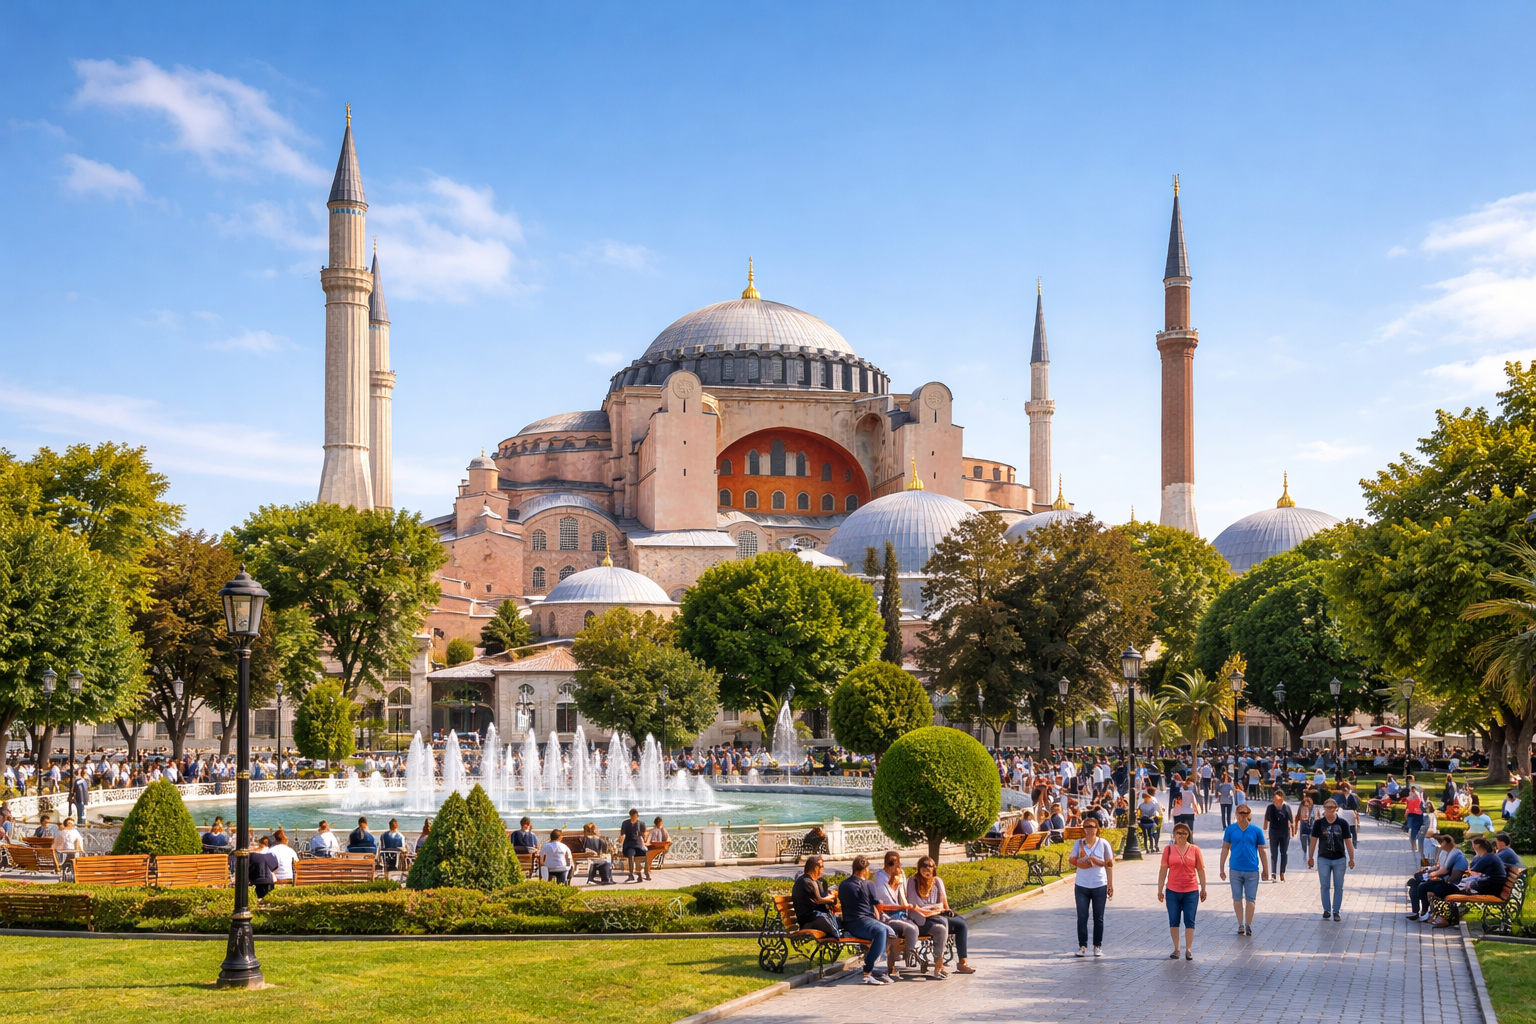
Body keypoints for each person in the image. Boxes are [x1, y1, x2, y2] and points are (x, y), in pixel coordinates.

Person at [906, 854, 974, 976]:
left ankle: (962, 963)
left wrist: (947, 911)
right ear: (919, 868)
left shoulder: (937, 881)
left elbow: (943, 902)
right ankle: (939, 963)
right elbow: (915, 905)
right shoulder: (912, 881)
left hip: (937, 914)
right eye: (924, 867)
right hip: (921, 917)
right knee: (943, 922)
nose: (927, 870)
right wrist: (934, 908)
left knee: (961, 924)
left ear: (934, 868)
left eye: (930, 868)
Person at [839, 854, 898, 985]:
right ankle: (868, 972)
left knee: (889, 932)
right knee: (882, 931)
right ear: (865, 869)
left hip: (850, 923)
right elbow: (878, 905)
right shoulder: (869, 885)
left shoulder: (843, 884)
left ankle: (881, 970)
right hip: (861, 922)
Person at [1157, 821, 1207, 960]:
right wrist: (1160, 889)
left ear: (1188, 835)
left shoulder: (1195, 849)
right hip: (1172, 890)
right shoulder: (1168, 850)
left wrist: (1203, 888)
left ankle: (1189, 949)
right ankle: (1177, 949)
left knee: (1190, 920)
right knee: (1174, 919)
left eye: (1184, 833)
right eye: (1179, 832)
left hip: (1191, 889)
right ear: (1174, 834)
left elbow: (1201, 870)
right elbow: (1163, 870)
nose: (1181, 835)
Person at [1432, 836, 1508, 928]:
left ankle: (1453, 914)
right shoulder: (1488, 856)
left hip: (1491, 888)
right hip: (1492, 886)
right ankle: (1456, 911)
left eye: (1473, 845)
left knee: (1457, 887)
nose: (1472, 847)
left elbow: (1473, 869)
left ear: (1478, 845)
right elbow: (1474, 870)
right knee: (1462, 884)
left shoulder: (1488, 857)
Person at [1219, 804, 1270, 936]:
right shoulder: (1230, 830)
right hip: (1235, 868)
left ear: (1249, 814)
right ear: (1236, 814)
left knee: (1250, 899)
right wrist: (1221, 868)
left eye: (1245, 813)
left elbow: (1262, 850)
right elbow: (1225, 848)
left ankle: (1248, 924)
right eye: (1240, 813)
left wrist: (1266, 869)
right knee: (1237, 898)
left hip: (1252, 869)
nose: (1242, 815)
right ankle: (1240, 924)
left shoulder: (1256, 830)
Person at [1069, 817, 1115, 957]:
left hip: (1099, 884)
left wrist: (1110, 884)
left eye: (1092, 826)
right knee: (1082, 917)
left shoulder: (1103, 844)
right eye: (1087, 826)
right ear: (1084, 829)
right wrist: (1080, 862)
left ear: (1097, 828)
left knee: (1098, 917)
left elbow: (1110, 864)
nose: (1090, 829)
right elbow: (1072, 859)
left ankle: (1097, 946)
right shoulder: (1078, 844)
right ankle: (1082, 946)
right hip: (1082, 885)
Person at [872, 851, 922, 975]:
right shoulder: (880, 877)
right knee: (911, 929)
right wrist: (901, 907)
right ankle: (907, 953)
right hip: (888, 916)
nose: (894, 864)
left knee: (915, 927)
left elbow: (903, 897)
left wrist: (907, 907)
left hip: (901, 914)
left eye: (896, 861)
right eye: (891, 861)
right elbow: (883, 904)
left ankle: (908, 953)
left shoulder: (900, 874)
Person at [1307, 798, 1356, 921]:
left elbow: (1348, 842)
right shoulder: (1319, 823)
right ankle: (1326, 910)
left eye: (1332, 808)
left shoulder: (1343, 824)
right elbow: (1313, 841)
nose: (1329, 811)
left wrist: (1352, 858)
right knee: (1325, 885)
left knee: (1339, 886)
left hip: (1339, 858)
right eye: (1327, 808)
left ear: (1336, 809)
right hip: (1323, 858)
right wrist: (1310, 856)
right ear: (1324, 808)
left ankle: (1336, 911)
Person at [1407, 833, 1466, 921]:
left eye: (1442, 843)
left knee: (1420, 885)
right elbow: (1439, 866)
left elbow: (1444, 870)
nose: (1440, 845)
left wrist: (1431, 875)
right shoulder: (1445, 852)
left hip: (1448, 882)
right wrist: (1428, 870)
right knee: (1414, 886)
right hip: (1441, 878)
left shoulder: (1455, 853)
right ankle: (1416, 912)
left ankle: (1424, 911)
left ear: (1448, 843)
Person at [792, 854, 840, 936]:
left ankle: (842, 937)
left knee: (839, 919)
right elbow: (818, 900)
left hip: (816, 916)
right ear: (815, 868)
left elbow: (822, 896)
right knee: (828, 922)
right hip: (808, 919)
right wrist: (833, 896)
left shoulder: (815, 881)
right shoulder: (805, 882)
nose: (822, 869)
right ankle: (840, 938)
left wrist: (830, 895)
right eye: (821, 866)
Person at [1264, 790, 1294, 882]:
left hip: (1284, 833)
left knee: (1284, 852)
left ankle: (1282, 872)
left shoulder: (1287, 807)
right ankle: (1273, 873)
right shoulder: (1270, 807)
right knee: (1274, 853)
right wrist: (1264, 827)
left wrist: (1292, 831)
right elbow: (1266, 818)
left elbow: (1291, 821)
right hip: (1273, 833)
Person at [619, 808, 647, 882]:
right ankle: (631, 874)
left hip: (638, 844)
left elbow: (642, 835)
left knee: (641, 856)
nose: (633, 818)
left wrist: (643, 843)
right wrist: (622, 839)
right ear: (630, 816)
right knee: (631, 855)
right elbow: (623, 834)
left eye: (635, 817)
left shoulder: (641, 824)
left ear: (637, 816)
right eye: (632, 817)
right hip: (629, 844)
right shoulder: (625, 823)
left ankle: (639, 874)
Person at [249, 835, 279, 899]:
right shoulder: (270, 855)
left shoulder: (251, 856)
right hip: (269, 881)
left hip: (256, 882)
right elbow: (275, 866)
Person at [1405, 787, 1424, 853]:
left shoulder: (1409, 797)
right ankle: (1418, 845)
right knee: (1417, 830)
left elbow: (1408, 806)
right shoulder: (1419, 795)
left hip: (1411, 814)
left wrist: (1406, 814)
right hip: (1418, 813)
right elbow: (1422, 803)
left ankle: (1413, 845)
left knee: (1412, 830)